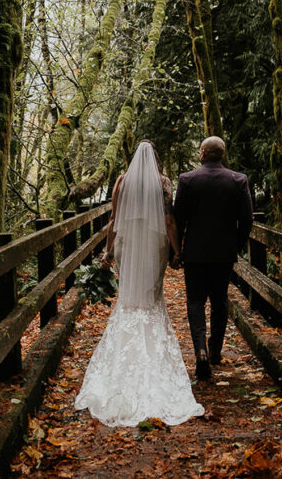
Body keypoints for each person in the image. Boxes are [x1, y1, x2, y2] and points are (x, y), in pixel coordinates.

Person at [74, 141, 204, 426]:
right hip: (154, 245)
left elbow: (113, 218)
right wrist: (176, 252)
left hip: (126, 243)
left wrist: (108, 251)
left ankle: (122, 363)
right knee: (151, 299)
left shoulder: (121, 181)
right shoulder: (163, 183)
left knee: (128, 298)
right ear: (155, 159)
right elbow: (169, 220)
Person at [173, 136, 253, 380]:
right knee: (220, 301)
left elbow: (178, 218)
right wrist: (235, 246)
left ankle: (200, 350)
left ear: (203, 154)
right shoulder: (238, 180)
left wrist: (177, 251)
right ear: (223, 154)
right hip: (223, 254)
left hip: (195, 254)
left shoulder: (187, 180)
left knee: (195, 302)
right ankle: (216, 350)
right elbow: (247, 220)